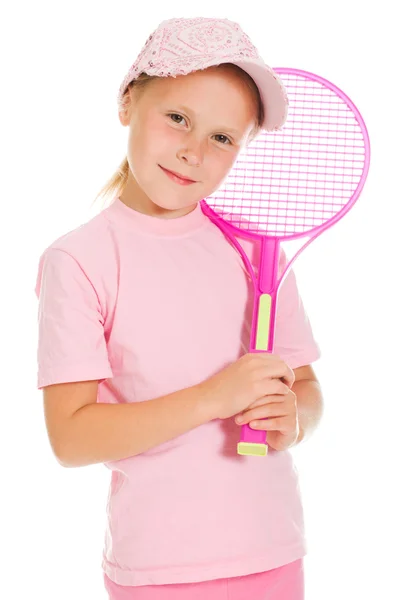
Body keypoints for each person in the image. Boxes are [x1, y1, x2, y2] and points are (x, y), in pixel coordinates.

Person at [34, 16, 324, 600]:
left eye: (222, 138)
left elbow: (307, 388)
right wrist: (213, 398)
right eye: (178, 119)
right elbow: (71, 437)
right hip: (158, 570)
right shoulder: (81, 259)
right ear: (128, 102)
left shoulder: (257, 252)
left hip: (272, 552)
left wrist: (294, 421)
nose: (193, 152)